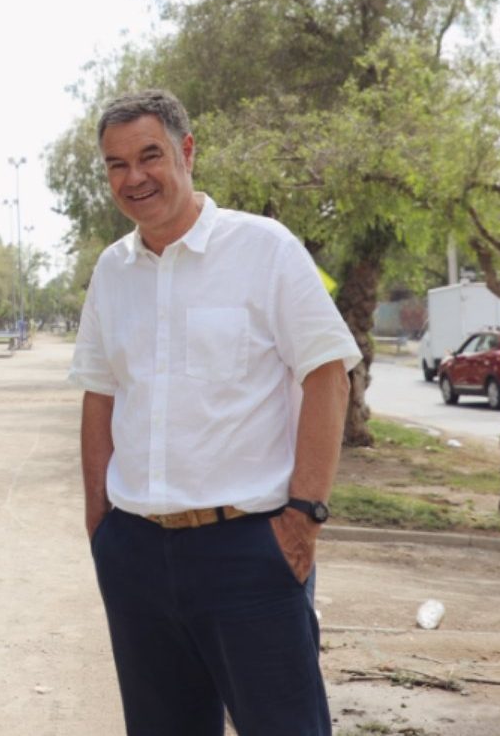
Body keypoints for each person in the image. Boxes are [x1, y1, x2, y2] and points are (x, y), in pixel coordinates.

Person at [68, 89, 360, 735]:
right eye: (117, 164)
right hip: (137, 556)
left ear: (187, 151)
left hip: (251, 552)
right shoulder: (111, 272)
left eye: (150, 156)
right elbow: (100, 392)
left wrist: (305, 515)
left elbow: (328, 373)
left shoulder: (266, 249)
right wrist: (101, 526)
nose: (135, 177)